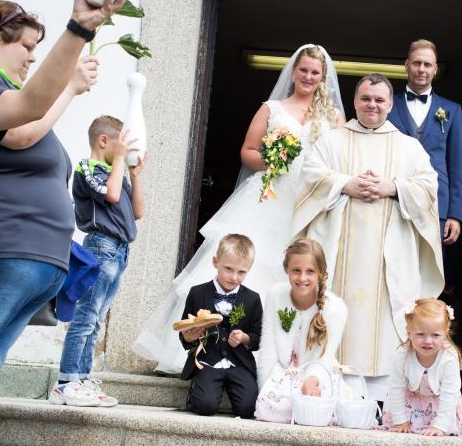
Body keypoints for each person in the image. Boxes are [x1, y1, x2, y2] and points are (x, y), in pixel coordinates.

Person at [0, 0, 128, 444]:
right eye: (26, 47)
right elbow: (23, 130)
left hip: (33, 259)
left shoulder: (0, 86)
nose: (31, 58)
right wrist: (70, 86)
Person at [134, 44, 344, 374]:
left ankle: (273, 357)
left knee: (296, 273)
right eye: (303, 70)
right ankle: (201, 349)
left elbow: (340, 160)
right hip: (268, 197)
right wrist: (274, 160)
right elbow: (247, 152)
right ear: (293, 71)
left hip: (307, 205)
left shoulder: (332, 117)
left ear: (323, 77)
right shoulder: (271, 108)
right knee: (247, 263)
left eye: (315, 72)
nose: (308, 76)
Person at [292, 73, 443, 399]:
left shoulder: (408, 146)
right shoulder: (332, 141)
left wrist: (393, 187)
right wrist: (345, 184)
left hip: (388, 259)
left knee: (386, 326)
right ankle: (327, 387)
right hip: (339, 253)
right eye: (365, 99)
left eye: (379, 100)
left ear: (390, 104)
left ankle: (380, 399)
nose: (372, 105)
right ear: (355, 100)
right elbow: (310, 176)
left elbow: (429, 187)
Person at [48, 116, 145, 407]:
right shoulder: (87, 168)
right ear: (104, 141)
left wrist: (135, 174)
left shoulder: (118, 173)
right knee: (86, 317)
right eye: (121, 144)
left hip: (120, 250)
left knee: (97, 320)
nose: (125, 151)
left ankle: (82, 377)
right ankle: (66, 382)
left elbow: (138, 211)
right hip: (100, 247)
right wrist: (118, 163)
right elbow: (111, 195)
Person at [254, 238, 347, 423]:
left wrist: (313, 380)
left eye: (310, 272)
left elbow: (325, 357)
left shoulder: (335, 308)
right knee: (271, 407)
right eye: (296, 270)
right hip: (284, 370)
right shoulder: (275, 296)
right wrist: (264, 387)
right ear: (286, 269)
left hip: (317, 370)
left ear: (320, 273)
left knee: (317, 406)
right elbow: (269, 346)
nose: (302, 278)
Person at [386, 39, 462, 245]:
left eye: (427, 64)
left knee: (430, 272)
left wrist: (455, 214)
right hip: (393, 199)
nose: (422, 69)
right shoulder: (386, 107)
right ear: (407, 65)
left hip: (437, 202)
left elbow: (456, 166)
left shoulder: (452, 111)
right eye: (417, 63)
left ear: (435, 69)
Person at [178, 234, 263, 418]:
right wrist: (189, 337)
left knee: (249, 408)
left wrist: (245, 338)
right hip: (207, 361)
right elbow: (184, 331)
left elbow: (258, 338)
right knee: (205, 406)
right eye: (228, 269)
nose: (234, 277)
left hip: (239, 363)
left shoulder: (252, 299)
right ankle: (197, 395)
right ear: (215, 262)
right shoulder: (197, 293)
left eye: (242, 272)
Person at [383, 298, 462, 437]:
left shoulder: (448, 358)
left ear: (445, 333)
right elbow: (395, 388)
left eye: (435, 335)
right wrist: (400, 421)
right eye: (420, 334)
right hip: (411, 403)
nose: (428, 341)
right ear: (409, 332)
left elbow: (450, 394)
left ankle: (439, 424)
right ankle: (408, 421)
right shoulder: (402, 355)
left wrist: (440, 426)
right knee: (399, 421)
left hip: (441, 404)